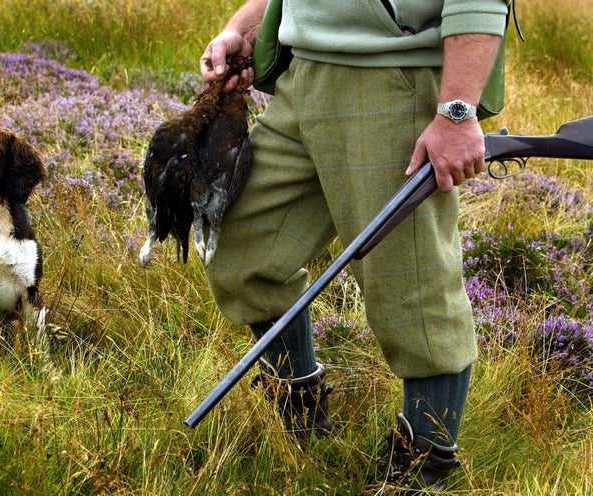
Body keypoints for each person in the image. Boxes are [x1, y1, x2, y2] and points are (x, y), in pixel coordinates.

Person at [199, 0, 509, 493]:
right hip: (304, 76)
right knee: (242, 246)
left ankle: (424, 468)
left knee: (410, 285)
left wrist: (456, 113)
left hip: (394, 76)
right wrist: (245, 27)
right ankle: (299, 411)